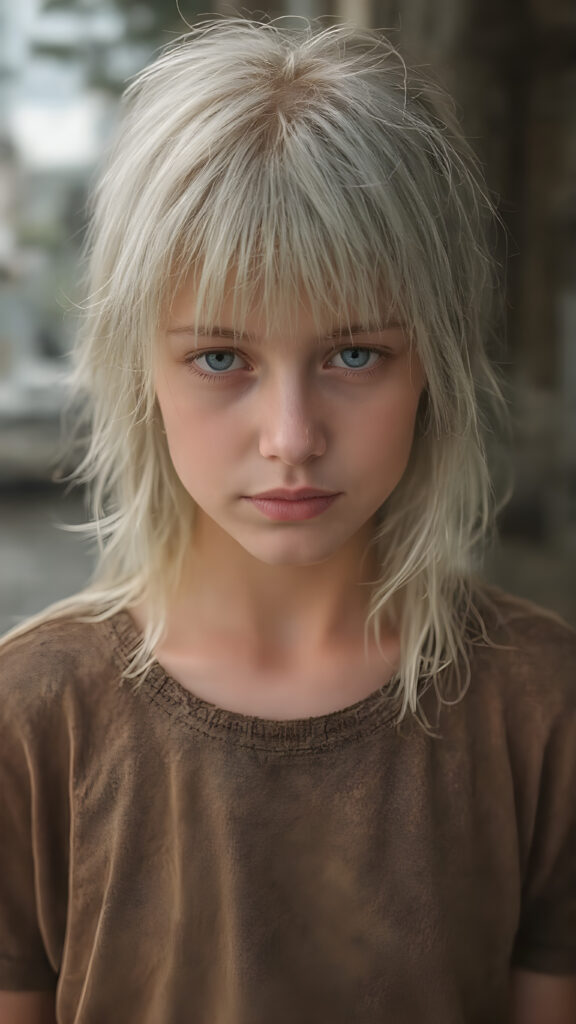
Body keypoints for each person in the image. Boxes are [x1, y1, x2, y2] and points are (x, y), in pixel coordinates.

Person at [0, 16, 574, 1024]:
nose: (292, 438)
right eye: (221, 358)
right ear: (140, 369)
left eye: (355, 355)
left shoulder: (541, 708)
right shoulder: (32, 720)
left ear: (433, 363)